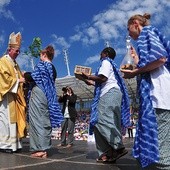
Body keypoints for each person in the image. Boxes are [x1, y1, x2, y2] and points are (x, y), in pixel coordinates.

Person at [121, 13, 170, 169]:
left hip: (158, 95)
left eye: (129, 29)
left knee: (160, 145)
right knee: (161, 142)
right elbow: (151, 63)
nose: (128, 33)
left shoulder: (147, 32)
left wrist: (135, 72)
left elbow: (161, 58)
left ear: (135, 23)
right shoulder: (148, 37)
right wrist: (137, 60)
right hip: (159, 95)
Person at [81, 47, 130, 163]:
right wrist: (89, 81)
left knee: (101, 120)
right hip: (111, 93)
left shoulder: (106, 62)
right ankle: (107, 153)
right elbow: (102, 81)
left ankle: (117, 147)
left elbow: (103, 78)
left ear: (106, 54)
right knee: (97, 123)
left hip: (109, 94)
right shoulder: (111, 66)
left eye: (101, 52)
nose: (100, 54)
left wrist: (88, 76)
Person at [26, 45, 63, 158]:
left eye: (40, 55)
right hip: (48, 95)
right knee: (43, 119)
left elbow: (32, 77)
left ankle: (40, 149)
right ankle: (42, 147)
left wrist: (24, 74)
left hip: (38, 93)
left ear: (44, 55)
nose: (39, 58)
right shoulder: (53, 68)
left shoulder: (43, 65)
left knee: (37, 120)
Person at [0, 32, 26, 153]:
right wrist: (19, 80)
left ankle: (15, 144)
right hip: (6, 96)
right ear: (10, 49)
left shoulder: (15, 64)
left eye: (19, 51)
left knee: (13, 121)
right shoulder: (3, 61)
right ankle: (5, 145)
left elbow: (19, 77)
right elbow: (4, 79)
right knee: (6, 121)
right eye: (16, 51)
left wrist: (23, 77)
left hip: (15, 95)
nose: (18, 53)